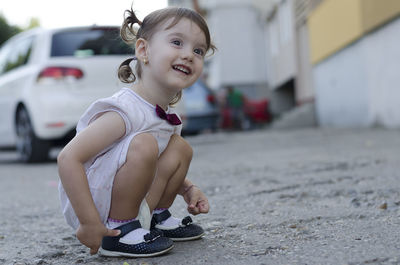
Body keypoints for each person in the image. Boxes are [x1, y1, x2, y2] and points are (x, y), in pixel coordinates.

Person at [58, 6, 216, 258]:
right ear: (143, 50)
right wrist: (88, 222)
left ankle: (154, 218)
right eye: (177, 42)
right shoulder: (125, 110)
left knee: (179, 147)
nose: (188, 55)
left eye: (198, 50)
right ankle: (119, 230)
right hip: (95, 206)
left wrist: (187, 189)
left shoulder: (165, 115)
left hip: (127, 195)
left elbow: (155, 160)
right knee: (144, 144)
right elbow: (69, 158)